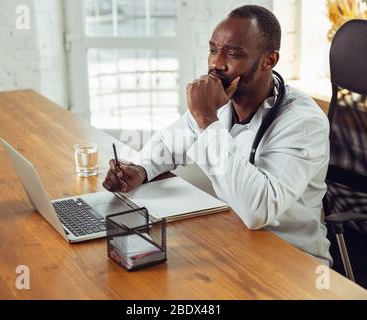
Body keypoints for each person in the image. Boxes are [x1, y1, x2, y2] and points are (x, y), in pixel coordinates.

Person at [102, 5, 332, 265]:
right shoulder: (223, 102)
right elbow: (169, 143)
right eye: (213, 50)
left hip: (291, 260)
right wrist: (141, 170)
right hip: (232, 242)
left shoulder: (302, 123)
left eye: (233, 54)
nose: (216, 63)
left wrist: (206, 118)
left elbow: (259, 209)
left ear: (270, 60)